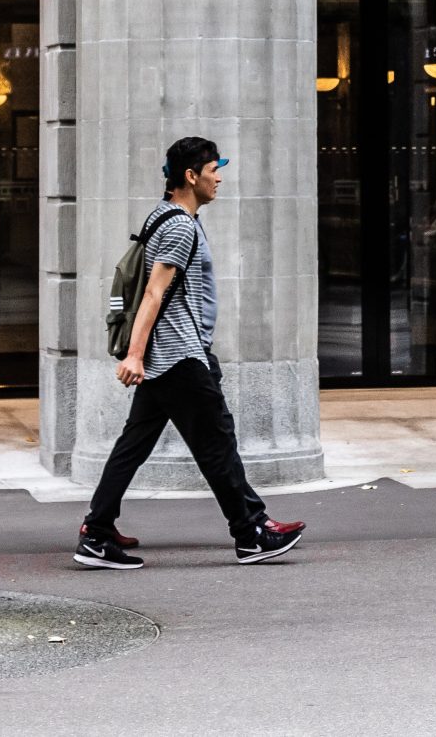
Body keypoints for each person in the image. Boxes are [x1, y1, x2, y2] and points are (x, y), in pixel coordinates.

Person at [74, 137, 304, 570]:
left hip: (171, 356)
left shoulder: (162, 217)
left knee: (133, 445)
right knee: (217, 445)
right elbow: (154, 294)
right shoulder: (179, 225)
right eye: (214, 169)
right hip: (179, 357)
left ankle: (97, 531)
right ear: (190, 176)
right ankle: (251, 533)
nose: (219, 178)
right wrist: (135, 356)